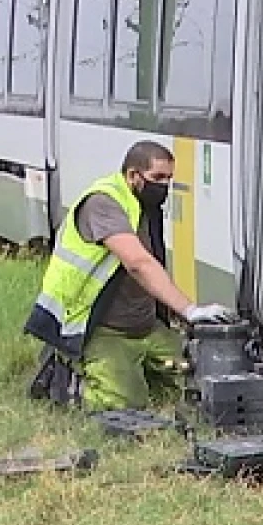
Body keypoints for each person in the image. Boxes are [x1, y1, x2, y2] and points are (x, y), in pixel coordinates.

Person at [24, 139, 238, 411]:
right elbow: (138, 263)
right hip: (100, 329)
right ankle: (69, 378)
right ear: (133, 175)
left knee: (200, 378)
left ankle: (142, 371)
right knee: (122, 405)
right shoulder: (102, 204)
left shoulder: (144, 207)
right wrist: (190, 309)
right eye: (157, 177)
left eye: (169, 179)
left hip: (145, 326)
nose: (164, 186)